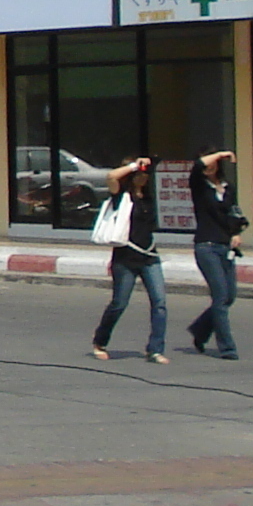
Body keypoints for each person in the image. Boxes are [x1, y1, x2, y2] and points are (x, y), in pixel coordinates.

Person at [89, 155, 168, 364]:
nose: (144, 178)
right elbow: (111, 176)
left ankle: (155, 349)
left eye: (146, 175)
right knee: (119, 303)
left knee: (159, 302)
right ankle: (100, 341)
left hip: (149, 255)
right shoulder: (121, 196)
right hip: (125, 258)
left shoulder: (148, 198)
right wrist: (134, 165)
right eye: (140, 174)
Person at [185, 149, 246, 360]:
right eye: (210, 162)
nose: (210, 166)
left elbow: (234, 213)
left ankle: (200, 330)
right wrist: (222, 153)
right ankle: (227, 347)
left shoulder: (228, 188)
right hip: (206, 246)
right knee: (219, 296)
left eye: (215, 163)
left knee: (229, 296)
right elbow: (199, 165)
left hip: (225, 247)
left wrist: (236, 232)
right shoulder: (199, 187)